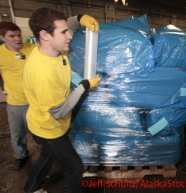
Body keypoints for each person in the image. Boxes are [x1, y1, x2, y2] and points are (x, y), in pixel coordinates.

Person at [23, 7, 100, 193]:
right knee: (74, 167)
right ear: (45, 35)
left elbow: (70, 27)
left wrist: (81, 18)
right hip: (49, 130)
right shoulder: (43, 74)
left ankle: (31, 188)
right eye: (64, 32)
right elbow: (59, 111)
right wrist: (84, 86)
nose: (70, 36)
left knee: (47, 157)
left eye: (68, 30)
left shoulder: (54, 50)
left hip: (43, 122)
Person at [0, 21, 36, 171]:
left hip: (36, 101)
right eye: (12, 36)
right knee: (17, 133)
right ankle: (21, 156)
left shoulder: (34, 49)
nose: (17, 39)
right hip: (15, 103)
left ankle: (46, 154)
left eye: (19, 35)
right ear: (2, 37)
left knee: (38, 132)